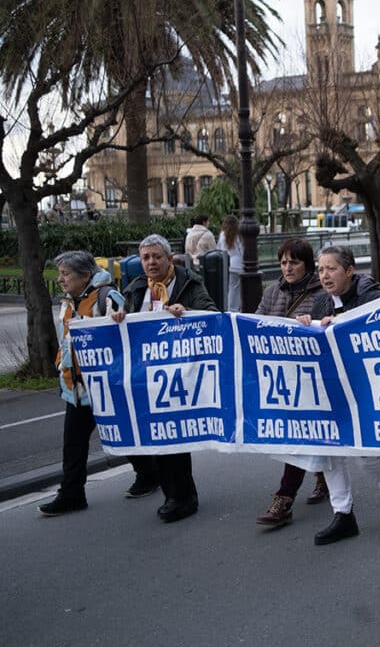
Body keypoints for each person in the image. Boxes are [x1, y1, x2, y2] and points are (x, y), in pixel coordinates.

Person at [286, 246, 380, 545]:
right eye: (321, 269)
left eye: (331, 269)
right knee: (331, 450)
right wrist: (307, 325)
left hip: (364, 385)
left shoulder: (369, 295)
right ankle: (343, 514)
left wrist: (341, 324)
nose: (324, 275)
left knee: (365, 453)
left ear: (349, 270)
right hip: (333, 388)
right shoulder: (321, 302)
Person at [37, 251, 159, 515]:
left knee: (121, 435)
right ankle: (72, 494)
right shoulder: (68, 301)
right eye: (60, 273)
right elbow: (65, 339)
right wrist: (61, 364)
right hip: (77, 389)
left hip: (105, 387)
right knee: (73, 444)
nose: (60, 279)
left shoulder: (107, 297)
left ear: (85, 275)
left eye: (66, 273)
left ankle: (148, 475)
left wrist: (119, 317)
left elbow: (121, 337)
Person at [111, 234, 220, 523]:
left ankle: (182, 497)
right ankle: (173, 494)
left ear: (169, 259)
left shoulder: (189, 284)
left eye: (156, 256)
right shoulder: (135, 290)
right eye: (145, 257)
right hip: (147, 377)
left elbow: (212, 315)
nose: (150, 262)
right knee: (156, 437)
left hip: (179, 377)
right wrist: (120, 317)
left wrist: (187, 312)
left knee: (174, 438)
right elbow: (126, 322)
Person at [254, 239, 332, 528]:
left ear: (307, 265)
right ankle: (323, 475)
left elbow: (330, 323)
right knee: (310, 433)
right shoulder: (272, 291)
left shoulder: (321, 292)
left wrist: (313, 324)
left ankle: (284, 499)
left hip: (314, 378)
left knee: (301, 434)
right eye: (284, 262)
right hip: (282, 377)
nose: (287, 267)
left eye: (294, 262)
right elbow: (257, 321)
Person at [216, 215, 243, 312]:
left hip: (227, 263)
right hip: (238, 264)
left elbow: (218, 249)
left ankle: (230, 307)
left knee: (231, 287)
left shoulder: (223, 235)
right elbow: (242, 250)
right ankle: (235, 307)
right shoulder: (238, 235)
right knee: (238, 288)